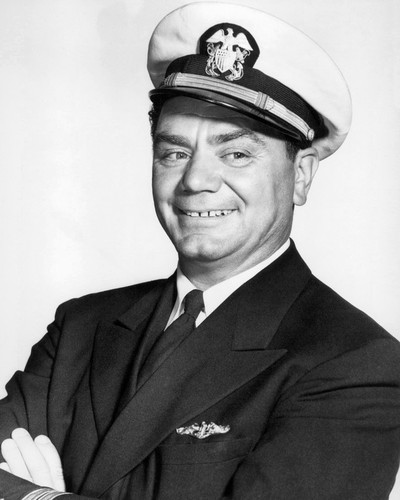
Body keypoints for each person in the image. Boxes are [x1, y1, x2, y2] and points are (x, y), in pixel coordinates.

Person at [0, 2, 399, 499]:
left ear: (300, 175)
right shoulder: (80, 326)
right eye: (175, 152)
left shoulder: (355, 362)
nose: (196, 180)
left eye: (236, 153)